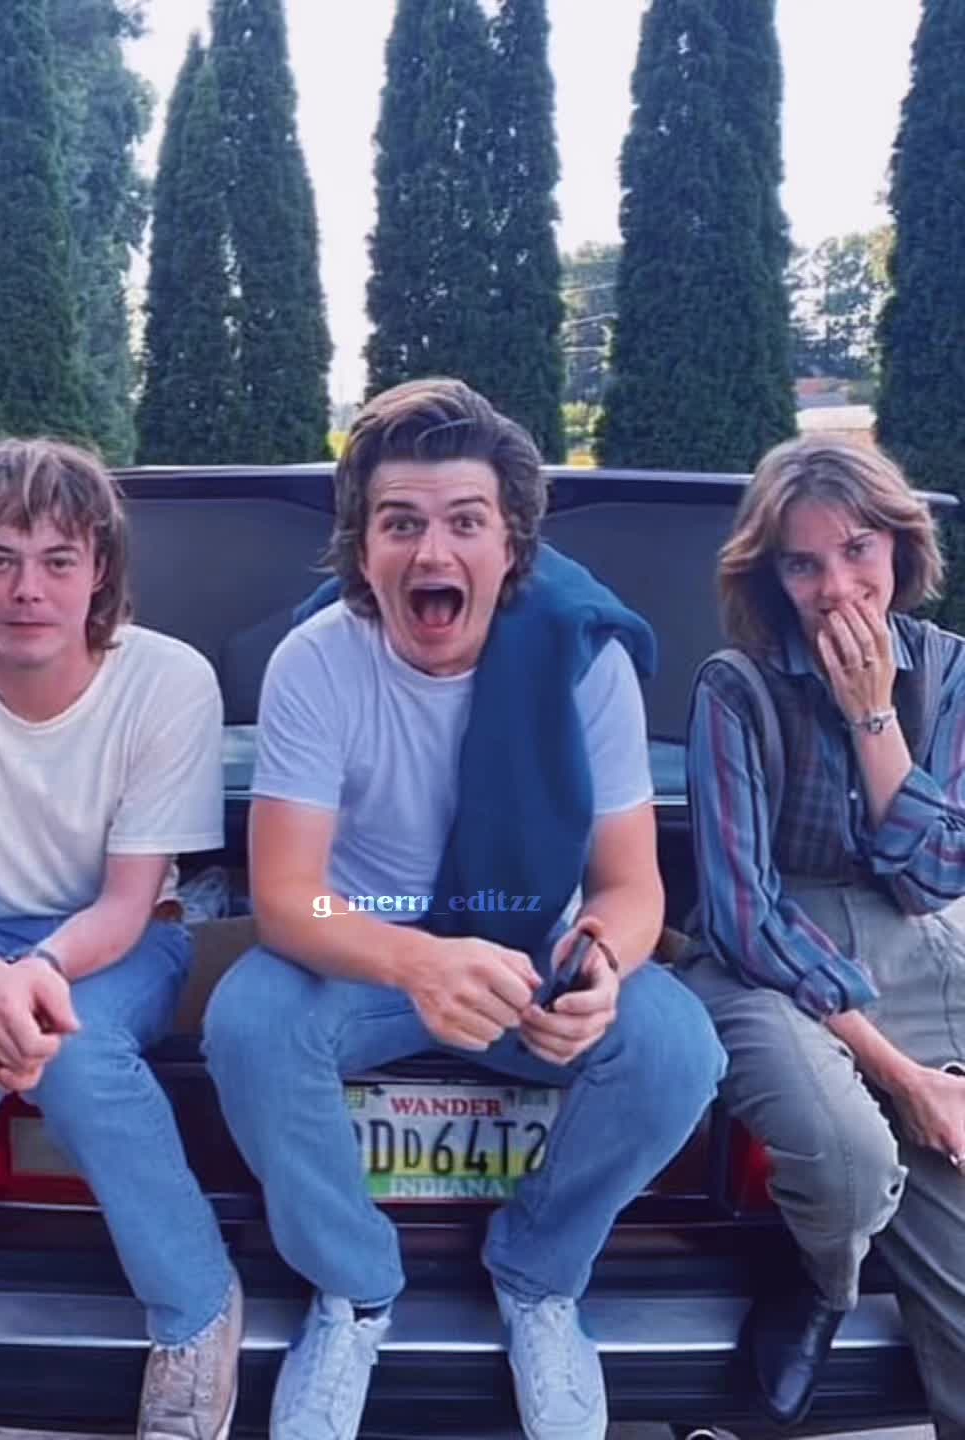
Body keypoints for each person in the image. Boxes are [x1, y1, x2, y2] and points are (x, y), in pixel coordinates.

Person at [203, 377, 725, 1440]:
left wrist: (604, 963)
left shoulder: (585, 661)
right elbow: (287, 897)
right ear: (361, 551)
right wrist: (415, 963)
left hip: (533, 956)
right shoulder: (315, 661)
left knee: (678, 1051)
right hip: (366, 957)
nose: (431, 552)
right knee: (249, 1022)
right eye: (400, 524)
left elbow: (632, 886)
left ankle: (539, 1277)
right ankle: (353, 1291)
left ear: (511, 545)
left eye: (465, 523)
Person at [0, 438, 242, 1440]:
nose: (26, 589)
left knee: (78, 1058)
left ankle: (197, 1311)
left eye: (56, 560)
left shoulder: (168, 679)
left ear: (100, 570)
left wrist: (32, 976)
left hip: (124, 939)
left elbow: (129, 904)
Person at [680, 435, 965, 1433]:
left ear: (899, 545)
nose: (836, 588)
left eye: (856, 550)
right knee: (848, 1159)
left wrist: (873, 717)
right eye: (804, 564)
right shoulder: (736, 685)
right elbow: (744, 916)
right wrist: (903, 1075)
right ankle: (825, 1283)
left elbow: (930, 878)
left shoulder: (949, 670)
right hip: (772, 966)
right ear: (771, 575)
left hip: (913, 947)